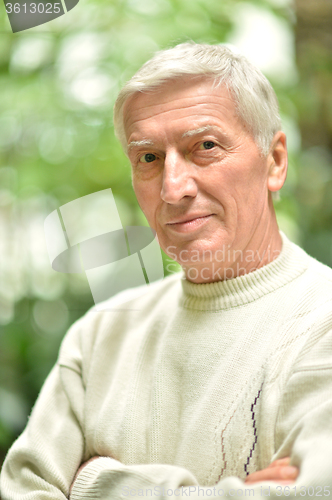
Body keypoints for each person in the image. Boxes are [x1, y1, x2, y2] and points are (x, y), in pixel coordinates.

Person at [1, 42, 332, 499]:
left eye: (205, 147)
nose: (173, 190)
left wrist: (96, 484)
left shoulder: (322, 321)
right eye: (149, 158)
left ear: (274, 161)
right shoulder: (99, 336)